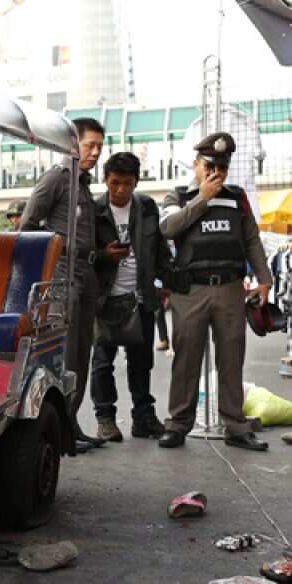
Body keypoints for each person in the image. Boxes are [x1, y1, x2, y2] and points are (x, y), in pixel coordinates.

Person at [157, 133, 273, 452]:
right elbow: (168, 228)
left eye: (222, 166)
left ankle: (235, 426)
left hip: (230, 289)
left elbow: (251, 240)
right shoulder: (178, 196)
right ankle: (178, 425)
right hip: (191, 290)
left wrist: (264, 279)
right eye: (209, 165)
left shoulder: (237, 198)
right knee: (186, 358)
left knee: (232, 358)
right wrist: (202, 198)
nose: (216, 172)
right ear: (196, 165)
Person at [20, 117, 107, 451]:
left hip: (87, 274)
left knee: (82, 352)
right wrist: (55, 252)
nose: (95, 152)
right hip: (62, 275)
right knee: (65, 353)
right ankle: (60, 428)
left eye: (100, 146)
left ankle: (71, 423)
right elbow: (28, 225)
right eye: (89, 145)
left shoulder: (83, 185)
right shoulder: (57, 179)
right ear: (72, 145)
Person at [90, 152, 171, 442]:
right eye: (115, 183)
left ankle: (143, 418)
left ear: (136, 182)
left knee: (141, 361)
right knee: (102, 363)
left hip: (141, 298)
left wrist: (168, 281)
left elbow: (159, 248)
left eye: (127, 183)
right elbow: (80, 253)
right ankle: (106, 419)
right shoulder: (93, 210)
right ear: (105, 181)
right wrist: (103, 255)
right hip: (105, 299)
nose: (120, 190)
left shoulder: (147, 207)